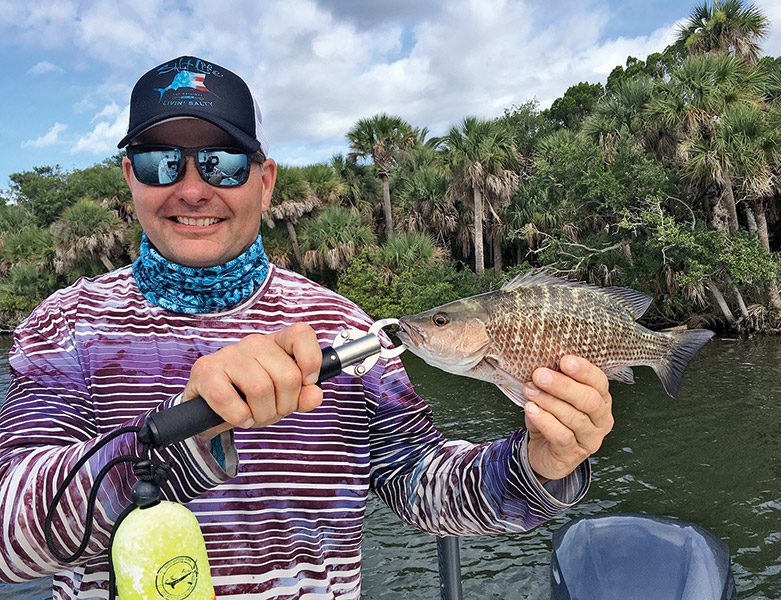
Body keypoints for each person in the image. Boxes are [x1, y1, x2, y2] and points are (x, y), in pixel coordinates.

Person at [0, 55, 614, 599]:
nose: (190, 188)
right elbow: (10, 540)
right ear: (131, 178)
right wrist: (182, 438)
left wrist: (542, 463)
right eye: (162, 163)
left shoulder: (343, 325)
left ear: (264, 182)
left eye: (222, 163)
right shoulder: (64, 327)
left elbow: (422, 482)